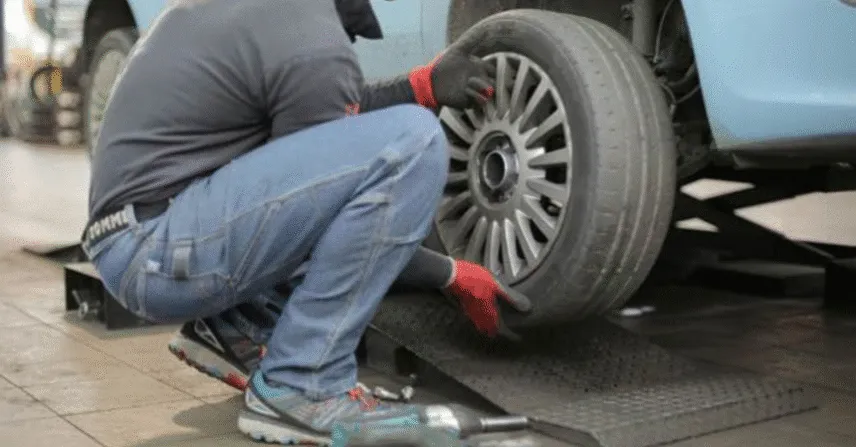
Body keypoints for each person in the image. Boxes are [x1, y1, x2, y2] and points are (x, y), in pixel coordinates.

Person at [82, 0, 531, 443]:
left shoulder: (270, 15)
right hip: (158, 250)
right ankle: (304, 384)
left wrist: (422, 85)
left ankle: (239, 323)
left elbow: (318, 137)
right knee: (413, 143)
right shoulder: (311, 38)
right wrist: (449, 273)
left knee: (378, 144)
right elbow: (326, 209)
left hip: (141, 236)